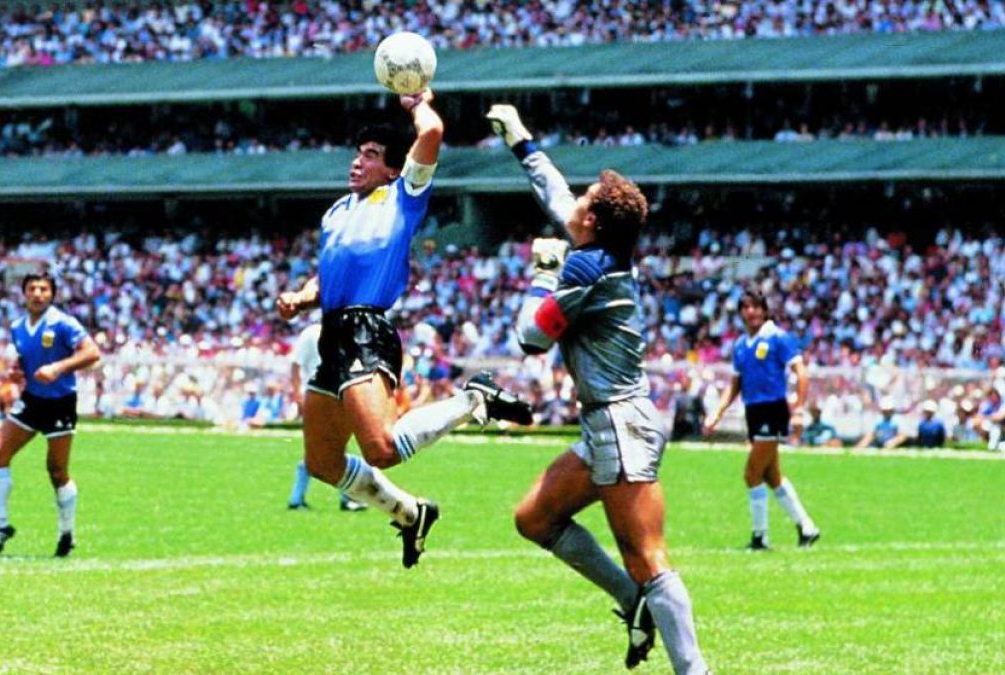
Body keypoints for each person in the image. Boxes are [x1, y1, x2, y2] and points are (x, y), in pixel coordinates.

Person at [487, 103, 708, 674]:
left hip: (620, 422)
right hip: (608, 422)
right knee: (534, 517)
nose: (575, 204)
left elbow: (530, 339)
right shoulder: (597, 251)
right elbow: (558, 198)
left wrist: (540, 274)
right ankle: (635, 603)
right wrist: (521, 140)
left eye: (585, 202)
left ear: (594, 224)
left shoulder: (586, 271)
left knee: (647, 556)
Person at [276, 88, 532, 569]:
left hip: (366, 329)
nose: (357, 162)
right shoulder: (336, 212)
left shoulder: (402, 196)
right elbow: (329, 273)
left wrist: (417, 103)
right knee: (322, 463)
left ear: (393, 169)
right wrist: (302, 296)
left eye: (370, 156)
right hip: (333, 331)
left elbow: (432, 132)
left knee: (383, 448)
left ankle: (471, 400)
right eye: (358, 153)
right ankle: (411, 513)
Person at [0, 271, 100, 558]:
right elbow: (26, 360)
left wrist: (58, 368)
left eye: (44, 289)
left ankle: (67, 533)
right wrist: (17, 371)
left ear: (52, 294)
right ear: (24, 294)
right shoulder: (18, 327)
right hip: (32, 400)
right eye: (32, 288)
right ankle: (0, 527)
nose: (38, 293)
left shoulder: (63, 323)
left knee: (57, 471)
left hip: (60, 402)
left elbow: (92, 353)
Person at [703, 289, 821, 551]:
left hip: (773, 409)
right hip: (753, 411)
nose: (751, 312)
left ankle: (760, 536)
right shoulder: (741, 345)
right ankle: (807, 527)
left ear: (764, 310)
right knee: (771, 475)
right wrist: (717, 413)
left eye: (755, 307)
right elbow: (735, 385)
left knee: (751, 473)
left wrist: (799, 410)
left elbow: (801, 373)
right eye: (746, 307)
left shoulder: (778, 338)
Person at [286, 322, 367, 512]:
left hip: (335, 395)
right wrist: (298, 394)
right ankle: (343, 499)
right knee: (326, 448)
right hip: (319, 394)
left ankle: (299, 499)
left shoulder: (343, 333)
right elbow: (296, 365)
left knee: (330, 447)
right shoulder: (314, 333)